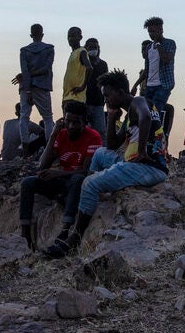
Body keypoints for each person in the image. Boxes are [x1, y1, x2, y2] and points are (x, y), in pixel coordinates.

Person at [43, 69, 168, 258]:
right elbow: (111, 144)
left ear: (120, 92)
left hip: (148, 166)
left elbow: (146, 117)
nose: (106, 100)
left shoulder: (138, 102)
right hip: (133, 161)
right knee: (101, 154)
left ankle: (74, 239)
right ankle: (87, 188)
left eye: (107, 96)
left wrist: (141, 151)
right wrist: (110, 117)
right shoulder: (128, 114)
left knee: (90, 183)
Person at [18, 101, 101, 250]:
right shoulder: (61, 134)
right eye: (68, 121)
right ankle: (26, 235)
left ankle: (65, 229)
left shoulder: (93, 137)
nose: (70, 126)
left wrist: (59, 173)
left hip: (77, 184)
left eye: (76, 123)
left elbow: (86, 171)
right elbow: (43, 165)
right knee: (28, 183)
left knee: (77, 179)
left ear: (84, 123)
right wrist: (53, 135)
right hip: (62, 183)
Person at [11, 24, 55, 149]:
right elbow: (46, 68)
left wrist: (28, 82)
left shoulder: (24, 51)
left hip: (26, 86)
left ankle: (24, 147)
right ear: (42, 34)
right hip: (42, 86)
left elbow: (24, 70)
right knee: (47, 118)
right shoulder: (49, 49)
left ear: (31, 35)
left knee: (24, 116)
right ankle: (49, 148)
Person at [140, 17, 176, 119]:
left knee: (155, 113)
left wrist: (158, 44)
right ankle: (154, 133)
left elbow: (166, 59)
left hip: (163, 85)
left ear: (161, 30)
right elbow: (147, 69)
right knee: (146, 113)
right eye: (149, 32)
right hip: (149, 85)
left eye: (153, 31)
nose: (151, 34)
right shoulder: (148, 47)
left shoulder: (170, 43)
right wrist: (136, 85)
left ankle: (156, 134)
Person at [62, 27, 93, 105]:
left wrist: (82, 86)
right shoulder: (73, 53)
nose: (70, 39)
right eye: (68, 36)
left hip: (76, 97)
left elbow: (89, 68)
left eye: (73, 36)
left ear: (80, 37)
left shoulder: (81, 51)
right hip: (67, 96)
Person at [84, 38, 109, 136]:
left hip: (99, 103)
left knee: (100, 131)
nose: (93, 49)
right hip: (85, 102)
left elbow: (106, 83)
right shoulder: (83, 63)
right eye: (90, 47)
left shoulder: (103, 64)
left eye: (95, 47)